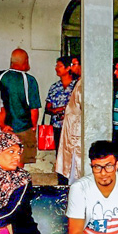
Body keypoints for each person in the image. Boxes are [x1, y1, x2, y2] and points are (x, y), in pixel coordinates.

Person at [0, 49, 41, 167]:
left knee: (4, 162)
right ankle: (18, 184)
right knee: (19, 163)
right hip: (23, 127)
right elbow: (34, 108)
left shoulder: (1, 76)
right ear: (26, 61)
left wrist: (1, 124)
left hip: (4, 127)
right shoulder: (29, 80)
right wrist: (33, 127)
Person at [44, 55, 76, 183]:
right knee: (60, 156)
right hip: (57, 127)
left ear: (68, 68)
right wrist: (58, 110)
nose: (56, 68)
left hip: (72, 128)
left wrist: (65, 111)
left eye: (59, 66)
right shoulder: (54, 87)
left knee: (73, 156)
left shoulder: (76, 86)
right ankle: (61, 182)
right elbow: (48, 108)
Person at [55, 56, 82, 184]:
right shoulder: (80, 82)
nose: (72, 67)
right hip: (69, 128)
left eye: (75, 64)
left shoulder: (82, 84)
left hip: (77, 132)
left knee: (76, 165)